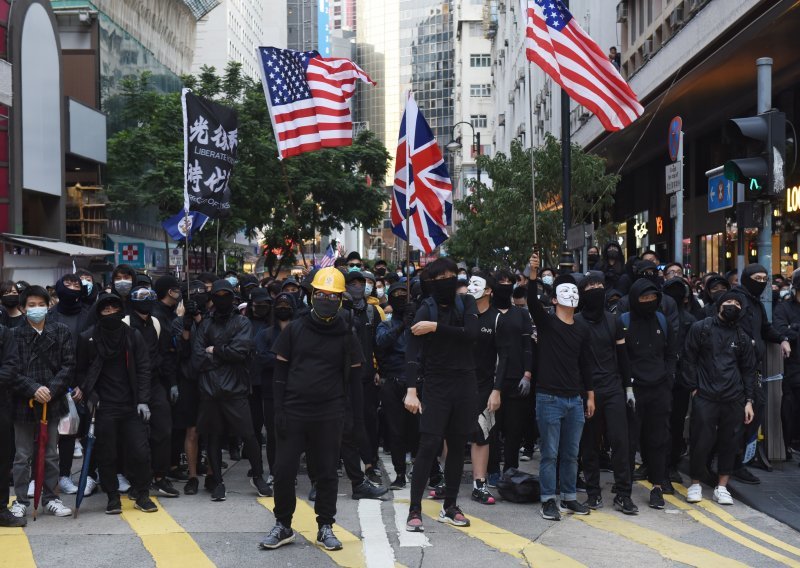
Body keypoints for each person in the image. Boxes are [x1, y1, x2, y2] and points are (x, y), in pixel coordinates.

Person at [261, 267, 364, 552]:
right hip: (293, 411)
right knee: (283, 471)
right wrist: (278, 411)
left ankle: (325, 526)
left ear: (341, 300)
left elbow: (356, 381)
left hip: (330, 413)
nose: (326, 299)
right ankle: (283, 524)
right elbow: (279, 374)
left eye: (333, 295)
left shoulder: (347, 334)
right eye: (321, 294)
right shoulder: (295, 328)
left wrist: (354, 420)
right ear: (311, 295)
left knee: (327, 473)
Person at [404, 258, 479, 532]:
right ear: (432, 283)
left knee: (458, 445)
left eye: (452, 275)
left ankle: (450, 506)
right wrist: (411, 390)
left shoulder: (467, 302)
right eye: (441, 277)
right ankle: (414, 510)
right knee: (428, 445)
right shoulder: (426, 306)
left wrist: (435, 328)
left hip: (465, 382)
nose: (448, 280)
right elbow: (412, 351)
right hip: (436, 384)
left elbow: (471, 334)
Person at [526, 253, 594, 521]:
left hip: (574, 400)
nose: (570, 294)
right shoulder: (547, 323)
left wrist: (589, 395)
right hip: (549, 398)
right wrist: (533, 275)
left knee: (571, 453)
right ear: (553, 299)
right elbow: (532, 302)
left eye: (573, 290)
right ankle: (547, 500)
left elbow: (586, 364)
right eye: (563, 291)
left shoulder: (582, 328)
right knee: (550, 454)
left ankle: (568, 497)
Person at [77, 293, 157, 514]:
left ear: (122, 312)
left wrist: (143, 400)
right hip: (103, 407)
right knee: (107, 454)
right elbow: (81, 371)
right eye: (106, 310)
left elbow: (143, 369)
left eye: (115, 309)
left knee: (140, 452)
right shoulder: (88, 338)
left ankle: (142, 494)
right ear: (98, 313)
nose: (111, 313)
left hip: (131, 405)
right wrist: (90, 395)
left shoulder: (133, 336)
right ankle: (112, 497)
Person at [192, 280, 271, 502]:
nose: (222, 298)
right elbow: (197, 358)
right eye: (218, 294)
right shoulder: (205, 324)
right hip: (210, 390)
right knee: (213, 438)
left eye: (226, 294)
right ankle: (217, 480)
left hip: (235, 389)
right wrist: (223, 356)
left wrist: (215, 350)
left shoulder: (242, 322)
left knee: (249, 436)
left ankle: (258, 476)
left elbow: (240, 351)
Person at [683, 291, 756, 505]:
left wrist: (749, 401)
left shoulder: (742, 337)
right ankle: (695, 483)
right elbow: (688, 359)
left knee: (730, 442)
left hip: (734, 397)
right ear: (719, 305)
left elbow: (749, 370)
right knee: (700, 441)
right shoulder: (701, 328)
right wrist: (693, 388)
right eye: (728, 302)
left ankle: (722, 487)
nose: (732, 305)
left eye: (736, 303)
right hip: (705, 395)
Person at [9, 286, 75, 519]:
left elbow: (68, 366)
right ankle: (20, 500)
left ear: (49, 305)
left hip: (52, 401)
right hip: (23, 402)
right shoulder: (12, 335)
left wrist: (50, 389)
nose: (36, 309)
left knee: (50, 453)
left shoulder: (61, 331)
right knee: (22, 454)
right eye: (31, 305)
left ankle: (51, 498)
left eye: (41, 304)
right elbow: (10, 370)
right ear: (23, 308)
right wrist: (33, 389)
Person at [576, 272, 638, 515]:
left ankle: (624, 494)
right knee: (589, 443)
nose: (596, 289)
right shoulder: (577, 322)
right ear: (583, 293)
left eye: (599, 285)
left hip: (613, 388)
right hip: (586, 390)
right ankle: (593, 492)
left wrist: (629, 388)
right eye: (590, 286)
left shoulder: (614, 321)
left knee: (620, 442)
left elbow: (623, 358)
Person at [620, 278, 677, 509]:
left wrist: (669, 377)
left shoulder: (662, 321)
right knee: (629, 440)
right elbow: (619, 357)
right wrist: (626, 385)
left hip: (659, 389)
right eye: (643, 298)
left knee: (658, 440)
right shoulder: (623, 322)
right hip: (633, 390)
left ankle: (657, 487)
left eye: (652, 298)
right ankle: (624, 490)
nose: (648, 301)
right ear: (634, 299)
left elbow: (672, 353)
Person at [732, 264, 791, 484]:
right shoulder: (736, 299)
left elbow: (765, 328)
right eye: (757, 278)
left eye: (765, 278)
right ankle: (729, 464)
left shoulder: (756, 303)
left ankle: (735, 462)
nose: (762, 282)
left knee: (754, 412)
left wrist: (782, 339)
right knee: (739, 416)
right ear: (746, 278)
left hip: (751, 368)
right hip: (735, 368)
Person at [127, 286, 180, 499]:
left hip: (156, 383)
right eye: (141, 298)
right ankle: (137, 482)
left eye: (149, 298)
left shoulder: (157, 323)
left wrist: (173, 383)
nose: (145, 302)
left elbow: (166, 356)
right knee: (135, 437)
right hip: (132, 386)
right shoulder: (126, 324)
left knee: (164, 431)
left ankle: (160, 477)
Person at [48, 274, 94, 497]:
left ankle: (65, 475)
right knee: (45, 433)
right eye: (68, 284)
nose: (73, 287)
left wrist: (82, 386)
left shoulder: (87, 316)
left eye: (77, 284)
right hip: (50, 383)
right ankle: (38, 478)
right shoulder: (49, 316)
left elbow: (91, 355)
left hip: (78, 385)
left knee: (71, 432)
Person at [489, 270, 534, 476]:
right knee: (491, 428)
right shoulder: (488, 312)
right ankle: (492, 470)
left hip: (516, 377)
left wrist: (527, 373)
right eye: (501, 281)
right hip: (491, 379)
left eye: (509, 282)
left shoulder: (521, 313)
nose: (505, 285)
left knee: (514, 429)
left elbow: (527, 345)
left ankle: (510, 470)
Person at [375, 282, 415, 490]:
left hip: (415, 382)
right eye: (396, 294)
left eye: (404, 294)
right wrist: (401, 326)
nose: (400, 297)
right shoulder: (386, 325)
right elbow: (381, 343)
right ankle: (400, 473)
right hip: (392, 382)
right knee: (396, 431)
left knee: (418, 428)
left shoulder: (418, 321)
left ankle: (426, 470)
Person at [468, 271, 501, 505]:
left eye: (477, 284)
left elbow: (505, 356)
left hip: (485, 385)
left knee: (482, 434)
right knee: (452, 433)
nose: (471, 286)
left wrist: (496, 390)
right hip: (458, 382)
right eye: (469, 283)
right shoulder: (462, 315)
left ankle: (480, 484)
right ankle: (445, 481)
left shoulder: (497, 319)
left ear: (489, 290)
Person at [170, 281, 207, 495]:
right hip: (188, 380)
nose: (198, 296)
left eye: (201, 293)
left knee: (211, 431)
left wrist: (200, 320)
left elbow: (209, 340)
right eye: (193, 294)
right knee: (191, 430)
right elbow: (181, 351)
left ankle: (212, 474)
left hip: (210, 380)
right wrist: (186, 323)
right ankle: (192, 476)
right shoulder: (177, 322)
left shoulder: (210, 320)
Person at [255, 292, 296, 481]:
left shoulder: (299, 332)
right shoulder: (265, 333)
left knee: (293, 434)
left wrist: (280, 360)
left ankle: (291, 473)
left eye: (287, 305)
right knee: (272, 433)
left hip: (296, 390)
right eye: (279, 304)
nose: (283, 307)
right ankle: (273, 471)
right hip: (271, 390)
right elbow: (262, 358)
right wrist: (286, 361)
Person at [662, 277, 697, 483]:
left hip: (681, 380)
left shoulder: (690, 320)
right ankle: (655, 464)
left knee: (675, 425)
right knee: (658, 425)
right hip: (662, 378)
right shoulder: (658, 317)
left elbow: (692, 353)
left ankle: (672, 464)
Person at [774, 269, 800, 458]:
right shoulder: (784, 308)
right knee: (790, 408)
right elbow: (781, 329)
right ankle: (788, 445)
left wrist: (794, 328)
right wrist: (792, 331)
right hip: (793, 367)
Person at [0, 321, 23, 526]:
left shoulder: (3, 332)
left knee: (3, 458)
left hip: (1, 404)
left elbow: (11, 365)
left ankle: (1, 509)